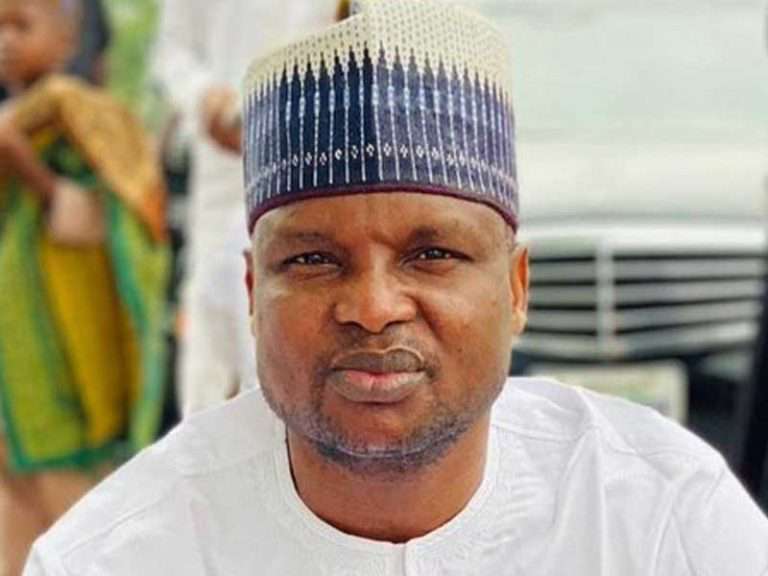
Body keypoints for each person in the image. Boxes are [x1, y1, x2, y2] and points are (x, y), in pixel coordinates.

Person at [24, 0, 768, 574]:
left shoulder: (664, 520)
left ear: (516, 289)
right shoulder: (116, 557)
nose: (374, 309)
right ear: (251, 292)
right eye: (314, 261)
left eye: (432, 254)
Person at [0, 0, 168, 572]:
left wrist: (29, 168)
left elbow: (103, 222)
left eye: (21, 25)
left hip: (68, 342)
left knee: (73, 510)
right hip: (14, 345)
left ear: (68, 40)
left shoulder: (85, 118)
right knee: (15, 497)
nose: (6, 40)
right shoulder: (13, 119)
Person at [152, 0, 337, 415]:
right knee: (211, 339)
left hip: (321, 156)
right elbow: (171, 51)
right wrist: (205, 99)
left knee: (305, 316)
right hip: (225, 159)